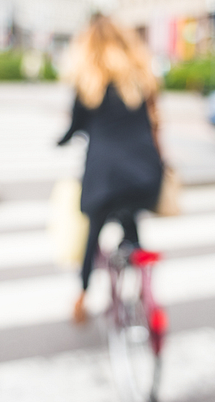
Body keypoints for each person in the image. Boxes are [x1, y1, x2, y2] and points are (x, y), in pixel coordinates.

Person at [58, 15, 163, 323]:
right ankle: (143, 282)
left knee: (93, 230)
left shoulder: (88, 82)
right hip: (146, 173)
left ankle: (82, 294)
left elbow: (74, 126)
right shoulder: (141, 76)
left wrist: (60, 140)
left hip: (105, 175)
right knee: (130, 217)